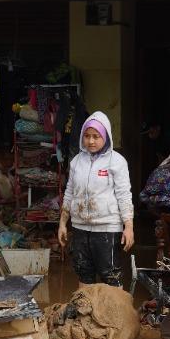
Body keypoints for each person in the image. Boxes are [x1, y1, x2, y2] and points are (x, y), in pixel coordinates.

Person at [58, 111, 134, 287]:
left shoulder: (117, 162)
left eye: (96, 136)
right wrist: (63, 223)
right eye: (87, 136)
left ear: (106, 136)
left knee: (111, 277)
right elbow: (69, 192)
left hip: (107, 229)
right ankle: (86, 313)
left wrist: (128, 227)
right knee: (83, 274)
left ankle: (114, 314)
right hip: (80, 228)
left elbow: (124, 195)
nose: (91, 141)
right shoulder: (77, 161)